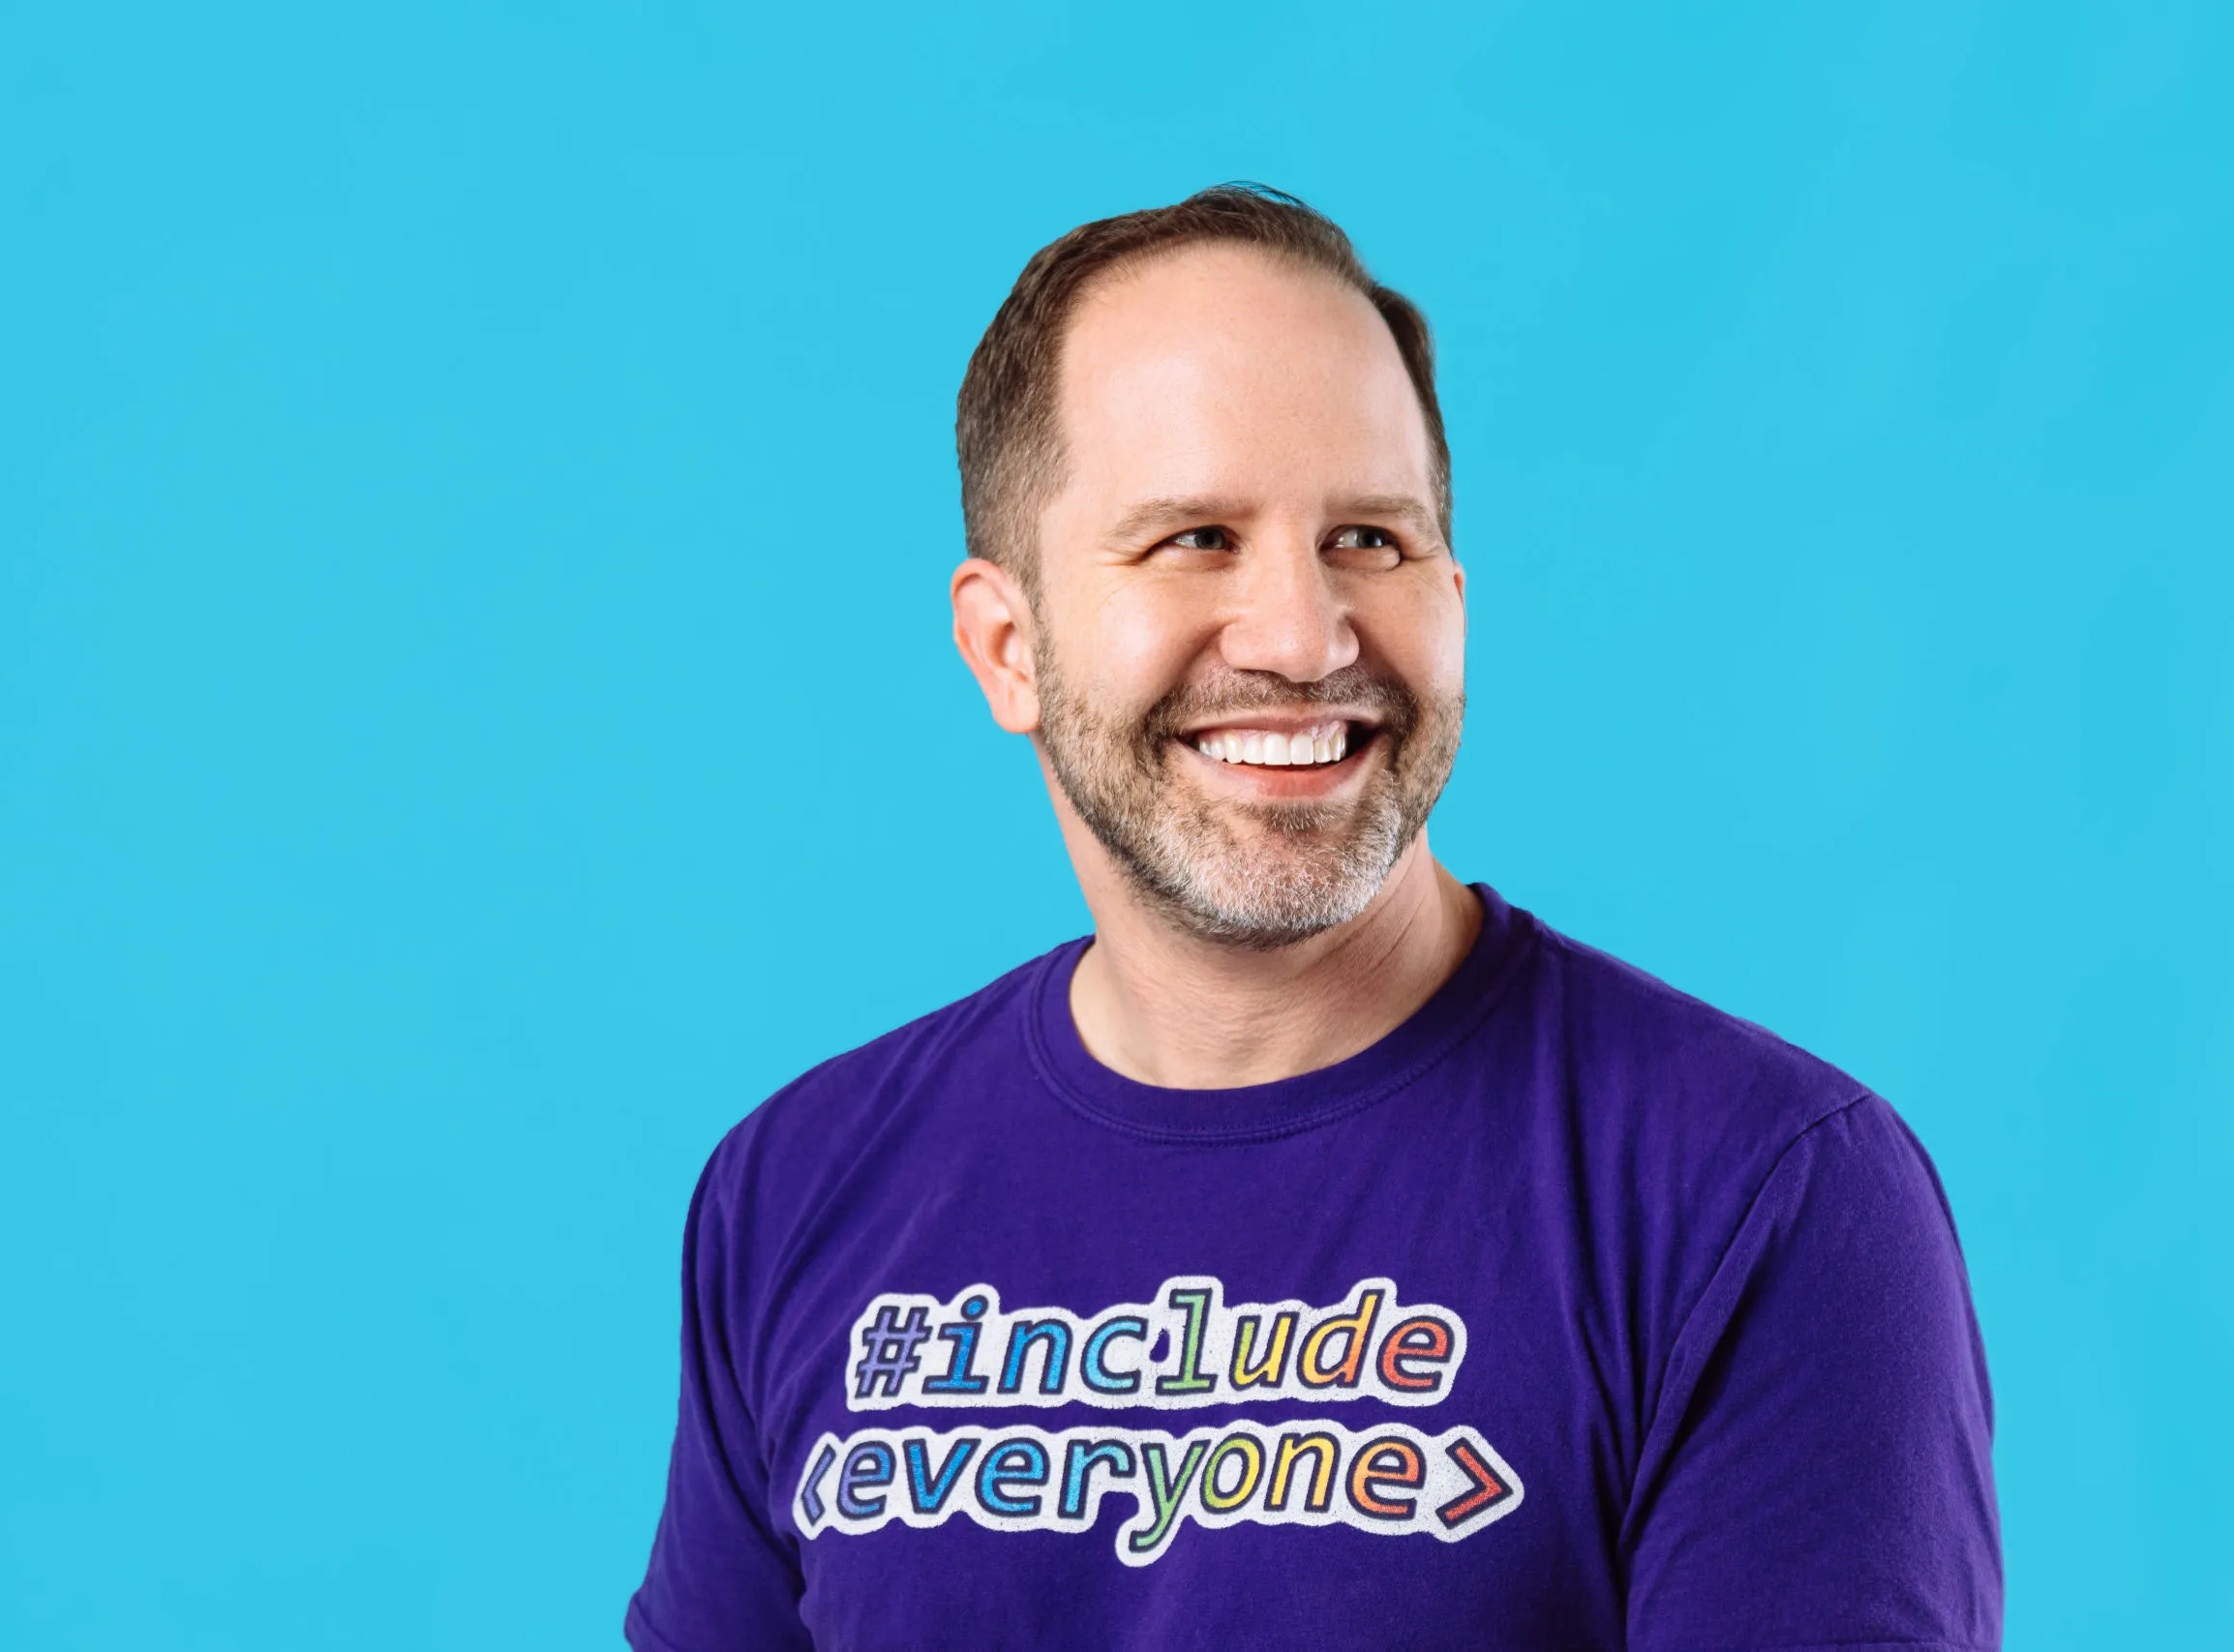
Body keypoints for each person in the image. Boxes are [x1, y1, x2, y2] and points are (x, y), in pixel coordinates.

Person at [625, 185, 2001, 1651]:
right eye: (1196, 538)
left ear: (1454, 596)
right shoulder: (799, 1188)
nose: (1301, 636)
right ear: (1007, 645)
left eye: (1369, 541)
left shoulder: (1759, 1196)